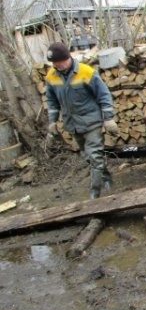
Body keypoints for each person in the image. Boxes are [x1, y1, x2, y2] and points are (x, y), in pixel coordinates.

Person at [45, 42, 119, 199]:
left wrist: (108, 118)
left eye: (60, 62)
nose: (58, 66)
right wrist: (52, 122)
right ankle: (106, 178)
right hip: (72, 124)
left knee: (94, 156)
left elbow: (104, 95)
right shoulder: (51, 76)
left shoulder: (86, 72)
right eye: (55, 64)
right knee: (89, 157)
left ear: (68, 58)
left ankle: (95, 194)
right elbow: (51, 101)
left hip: (91, 121)